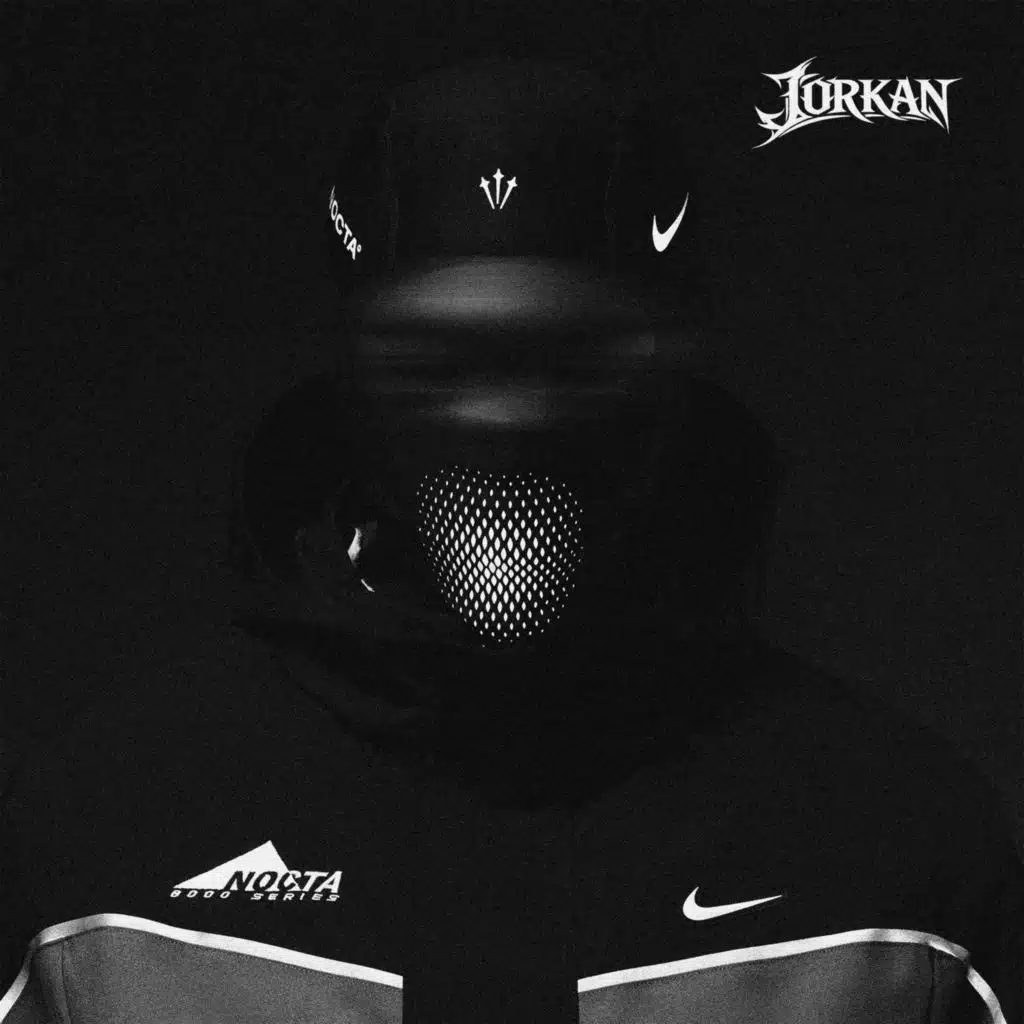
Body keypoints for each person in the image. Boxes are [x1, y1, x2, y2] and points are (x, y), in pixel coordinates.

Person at [1, 57, 1020, 1024]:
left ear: (676, 370)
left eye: (570, 356)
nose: (504, 420)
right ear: (348, 374)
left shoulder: (898, 862)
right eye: (435, 360)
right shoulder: (108, 842)